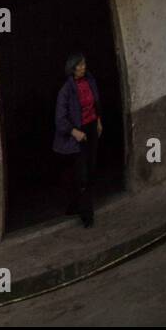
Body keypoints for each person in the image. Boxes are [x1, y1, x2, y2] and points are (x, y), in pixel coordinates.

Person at [53, 52, 103, 228]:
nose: (83, 68)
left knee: (91, 168)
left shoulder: (90, 80)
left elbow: (96, 102)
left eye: (83, 64)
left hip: (91, 128)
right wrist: (75, 132)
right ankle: (87, 216)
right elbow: (60, 120)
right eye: (79, 66)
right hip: (78, 133)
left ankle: (76, 205)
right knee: (82, 175)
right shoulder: (66, 91)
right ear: (72, 69)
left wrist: (98, 120)